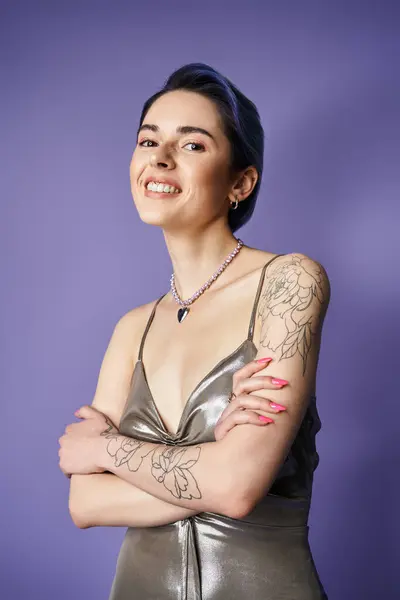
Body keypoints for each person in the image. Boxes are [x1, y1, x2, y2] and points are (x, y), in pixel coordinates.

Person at [59, 62, 331, 599]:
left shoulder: (289, 282)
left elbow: (237, 487)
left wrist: (105, 450)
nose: (159, 158)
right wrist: (215, 472)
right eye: (148, 139)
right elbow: (85, 504)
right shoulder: (131, 329)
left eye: (192, 145)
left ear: (240, 182)